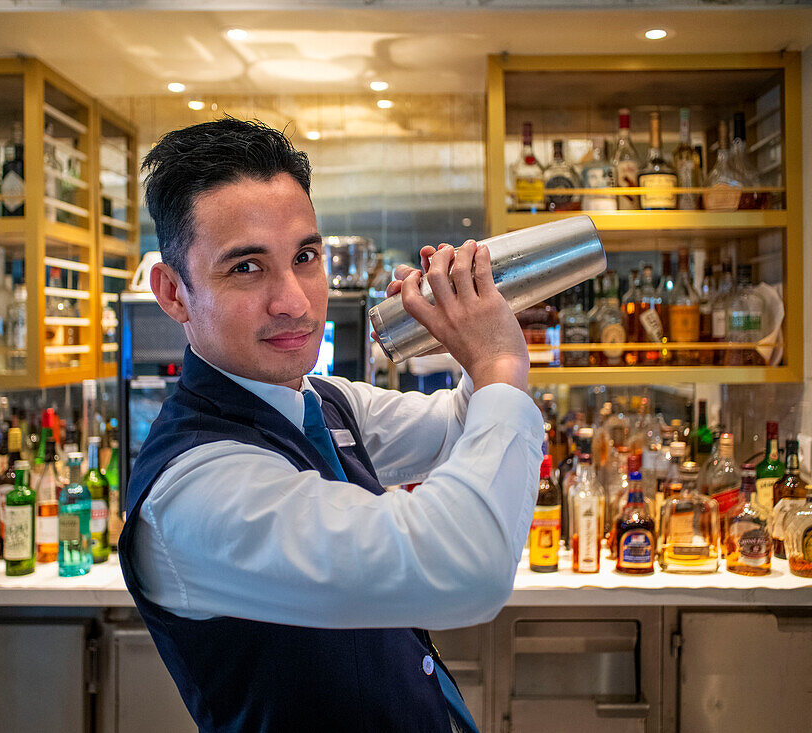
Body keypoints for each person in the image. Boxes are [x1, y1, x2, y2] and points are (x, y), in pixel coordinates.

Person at [118, 117, 544, 733]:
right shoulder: (196, 491)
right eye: (245, 268)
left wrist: (469, 335)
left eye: (305, 257)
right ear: (174, 293)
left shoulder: (320, 400)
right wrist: (499, 361)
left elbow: (457, 425)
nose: (294, 299)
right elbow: (467, 566)